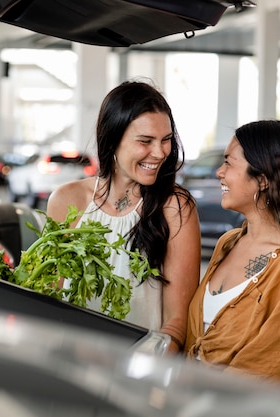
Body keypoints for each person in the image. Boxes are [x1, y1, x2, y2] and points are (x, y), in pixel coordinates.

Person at [184, 119, 280, 387]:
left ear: (262, 179)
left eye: (228, 163)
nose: (219, 173)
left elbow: (265, 372)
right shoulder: (228, 243)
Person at [46, 80, 201, 354]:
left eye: (166, 140)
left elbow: (177, 322)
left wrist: (142, 370)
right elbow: (50, 298)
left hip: (137, 378)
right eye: (145, 141)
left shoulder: (175, 208)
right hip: (72, 369)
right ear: (113, 139)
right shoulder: (66, 201)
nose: (160, 152)